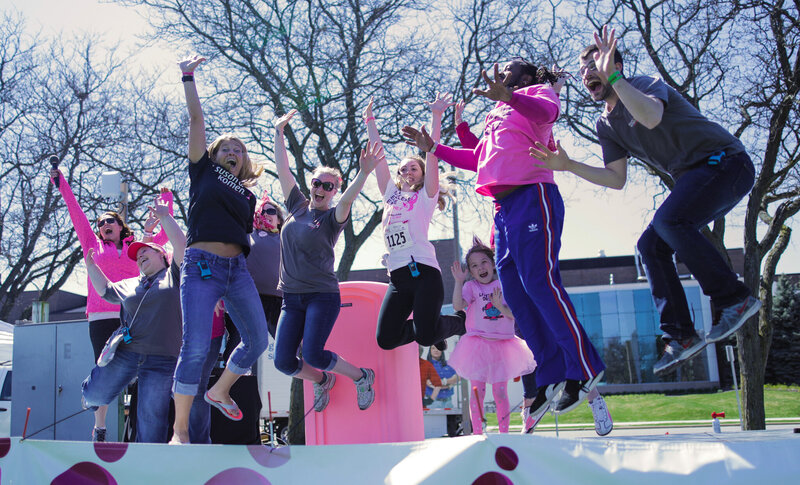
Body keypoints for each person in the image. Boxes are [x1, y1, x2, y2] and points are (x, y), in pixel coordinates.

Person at [529, 26, 760, 376]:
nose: (587, 74)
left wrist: (615, 78)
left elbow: (651, 117)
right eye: (583, 71)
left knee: (670, 222)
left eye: (594, 66)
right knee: (650, 245)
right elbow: (616, 178)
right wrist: (568, 165)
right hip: (698, 178)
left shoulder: (644, 84)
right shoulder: (605, 125)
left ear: (616, 66)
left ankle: (734, 299)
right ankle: (680, 334)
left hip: (726, 163)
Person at [403, 59, 606, 424]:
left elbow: (548, 111)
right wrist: (433, 148)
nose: (503, 71)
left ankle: (585, 365)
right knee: (513, 294)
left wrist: (511, 96)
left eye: (511, 68)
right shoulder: (497, 114)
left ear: (525, 77)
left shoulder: (538, 93)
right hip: (503, 210)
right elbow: (477, 158)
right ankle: (550, 373)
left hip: (533, 197)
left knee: (541, 283)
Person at [170, 56, 270, 444]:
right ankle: (180, 431)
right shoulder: (203, 171)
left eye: (239, 149)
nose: (233, 151)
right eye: (225, 147)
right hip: (202, 267)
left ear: (244, 161)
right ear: (213, 155)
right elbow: (197, 121)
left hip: (236, 271)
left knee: (257, 340)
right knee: (195, 348)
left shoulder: (247, 195)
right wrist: (188, 77)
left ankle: (220, 390)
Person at [49, 168, 172, 442]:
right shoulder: (92, 245)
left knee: (141, 369)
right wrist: (61, 184)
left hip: (131, 314)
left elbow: (164, 240)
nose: (105, 224)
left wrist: (167, 202)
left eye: (110, 221)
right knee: (104, 369)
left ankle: (140, 430)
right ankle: (100, 427)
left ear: (120, 226)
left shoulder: (135, 248)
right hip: (101, 317)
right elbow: (76, 214)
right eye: (101, 222)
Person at [271, 109, 377, 412]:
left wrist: (364, 173)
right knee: (283, 361)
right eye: (317, 183)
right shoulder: (296, 205)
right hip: (291, 298)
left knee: (314, 354)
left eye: (328, 186)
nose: (320, 189)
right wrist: (279, 132)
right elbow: (283, 170)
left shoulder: (332, 218)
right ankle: (322, 381)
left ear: (334, 191)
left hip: (322, 295)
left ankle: (361, 376)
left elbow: (348, 200)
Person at [364, 95, 466, 351]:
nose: (407, 172)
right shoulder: (390, 194)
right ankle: (431, 327)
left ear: (421, 175)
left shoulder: (425, 196)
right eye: (403, 169)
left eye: (413, 169)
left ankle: (456, 323)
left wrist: (436, 116)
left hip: (423, 273)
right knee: (386, 339)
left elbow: (432, 155)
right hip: (398, 276)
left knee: (425, 337)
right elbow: (378, 157)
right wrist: (369, 121)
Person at [81, 199, 185, 443]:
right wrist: (91, 266)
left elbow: (181, 245)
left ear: (162, 255)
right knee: (93, 397)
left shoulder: (175, 275)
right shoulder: (130, 284)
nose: (139, 257)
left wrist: (165, 217)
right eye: (137, 256)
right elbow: (105, 290)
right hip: (127, 352)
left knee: (151, 423)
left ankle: (148, 461)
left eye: (145, 251)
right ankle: (92, 391)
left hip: (162, 358)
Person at [448, 238, 537, 434]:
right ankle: (477, 433)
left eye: (484, 262)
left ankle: (504, 434)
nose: (480, 268)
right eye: (474, 266)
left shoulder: (503, 285)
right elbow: (458, 305)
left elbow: (515, 315)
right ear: (471, 272)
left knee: (500, 392)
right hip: (477, 345)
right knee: (477, 392)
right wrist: (458, 282)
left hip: (502, 345)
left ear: (493, 263)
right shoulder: (471, 287)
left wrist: (499, 306)